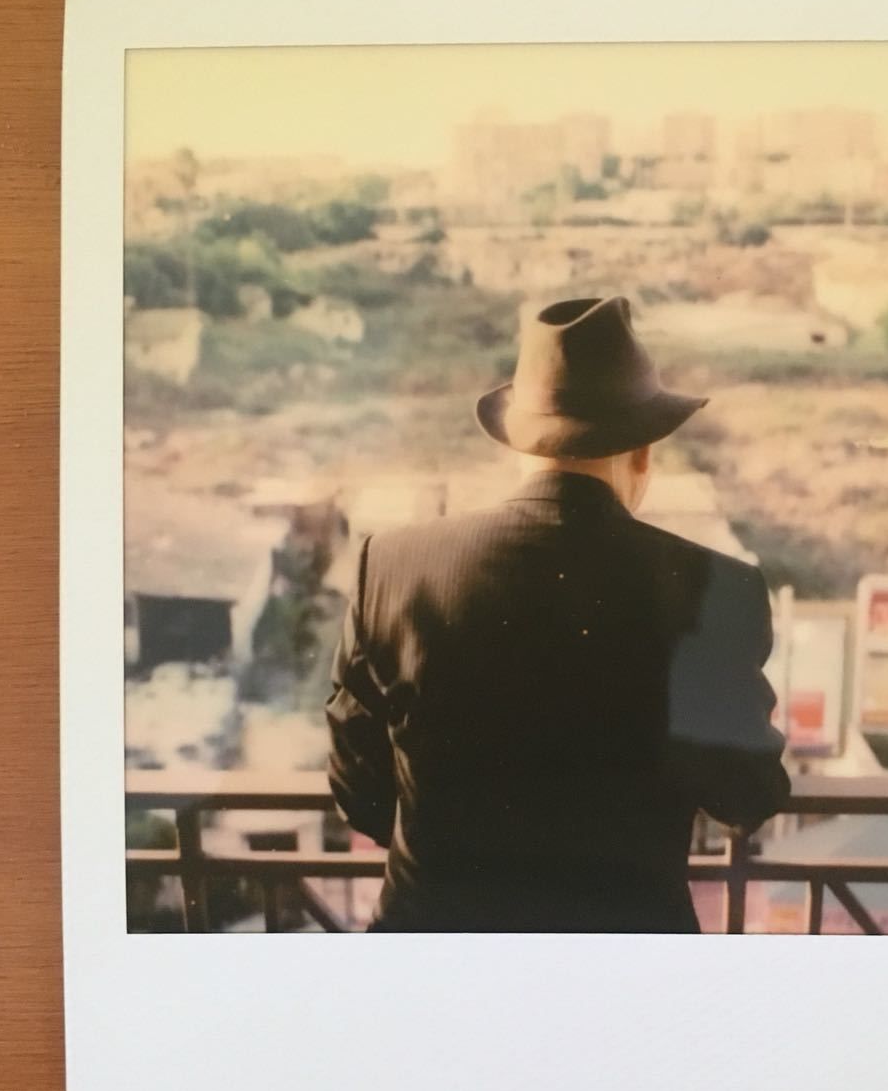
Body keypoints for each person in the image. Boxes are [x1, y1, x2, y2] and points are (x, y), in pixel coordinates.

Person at [325, 295, 790, 932]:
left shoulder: (392, 565)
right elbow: (747, 793)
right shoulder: (717, 588)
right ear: (643, 454)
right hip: (621, 956)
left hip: (438, 947)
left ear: (519, 444)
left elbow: (359, 791)